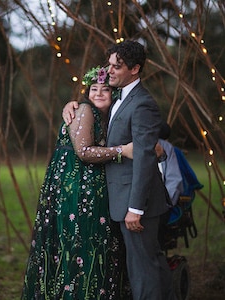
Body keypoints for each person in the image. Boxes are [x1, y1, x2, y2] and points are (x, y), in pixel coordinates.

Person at [63, 40, 174, 300]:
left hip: (136, 204)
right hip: (124, 200)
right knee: (151, 262)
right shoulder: (120, 99)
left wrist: (135, 208)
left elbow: (145, 157)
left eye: (117, 66)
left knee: (142, 269)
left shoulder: (141, 103)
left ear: (135, 69)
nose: (109, 71)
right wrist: (72, 104)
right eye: (109, 65)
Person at [21, 66, 133, 299]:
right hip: (74, 186)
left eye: (105, 89)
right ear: (87, 92)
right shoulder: (84, 110)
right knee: (78, 240)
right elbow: (83, 151)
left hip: (86, 185)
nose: (99, 93)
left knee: (89, 242)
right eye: (94, 89)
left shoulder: (106, 116)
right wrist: (123, 151)